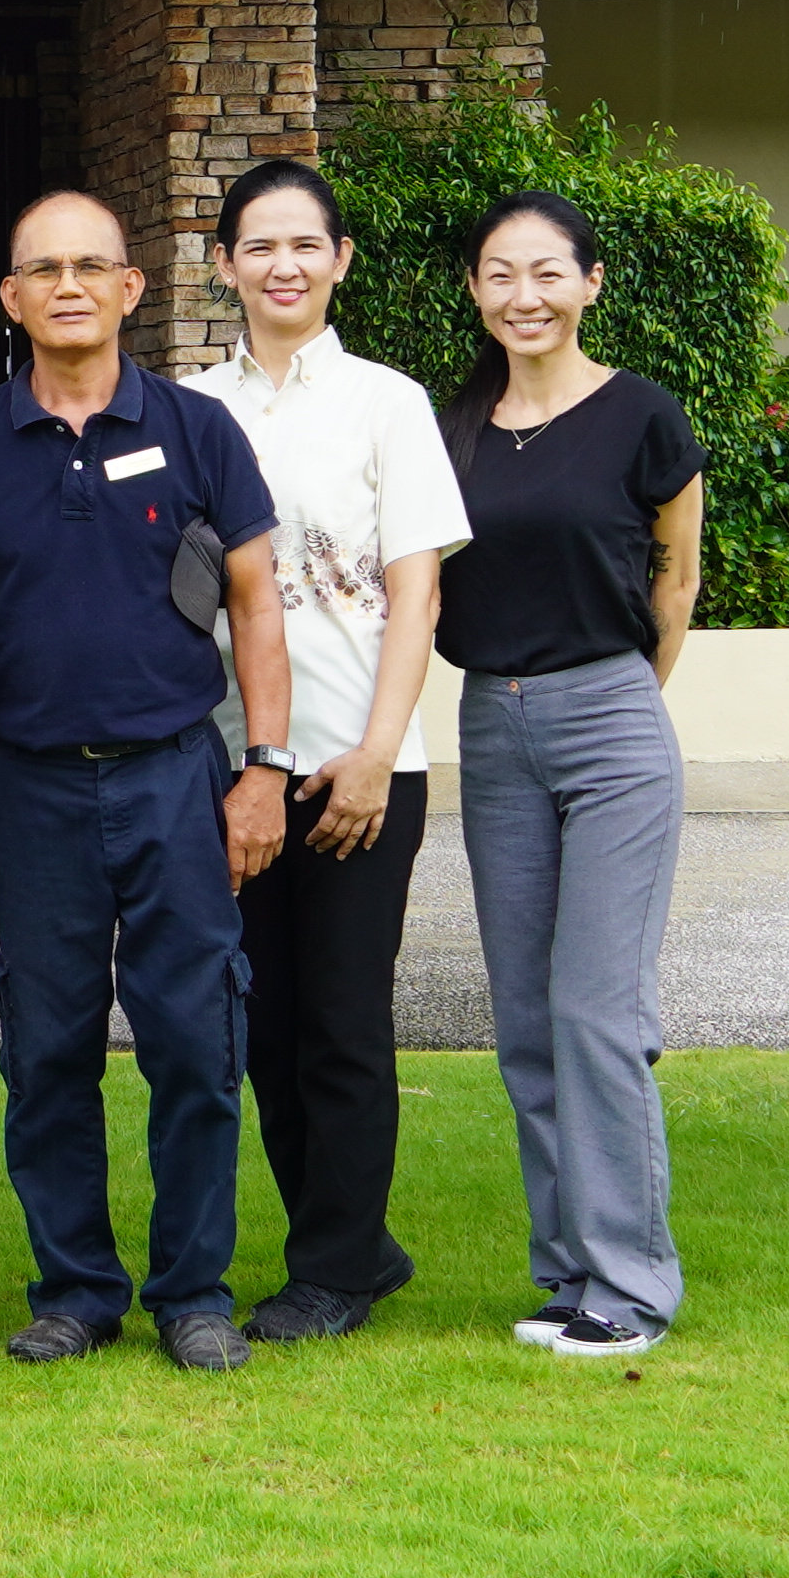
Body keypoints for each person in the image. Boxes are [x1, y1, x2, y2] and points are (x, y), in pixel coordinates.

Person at [0, 182, 295, 1375]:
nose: (71, 286)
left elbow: (256, 607)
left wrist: (265, 771)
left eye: (94, 265)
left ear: (133, 287)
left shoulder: (199, 432)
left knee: (197, 1040)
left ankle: (192, 1290)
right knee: (46, 1045)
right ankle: (75, 1291)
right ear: (12, 298)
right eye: (45, 269)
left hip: (176, 780)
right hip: (31, 786)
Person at [184, 158, 476, 1344]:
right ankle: (351, 1234)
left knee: (345, 1018)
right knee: (266, 1021)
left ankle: (336, 1273)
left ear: (340, 258)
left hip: (361, 765)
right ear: (224, 265)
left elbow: (416, 598)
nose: (283, 266)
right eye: (258, 246)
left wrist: (375, 751)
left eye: (306, 244)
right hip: (232, 770)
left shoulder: (389, 402)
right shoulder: (193, 407)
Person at [434, 187, 707, 1358]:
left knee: (600, 1010)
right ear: (476, 290)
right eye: (501, 273)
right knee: (528, 1022)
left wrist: (627, 699)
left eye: (548, 272)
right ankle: (568, 1275)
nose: (524, 295)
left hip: (609, 714)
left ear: (590, 282)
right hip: (491, 724)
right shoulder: (455, 424)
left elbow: (678, 577)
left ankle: (633, 1287)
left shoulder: (644, 415)